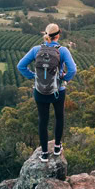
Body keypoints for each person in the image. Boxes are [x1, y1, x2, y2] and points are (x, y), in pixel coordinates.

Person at [17, 23, 76, 162]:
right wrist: (63, 79)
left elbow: (21, 66)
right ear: (58, 35)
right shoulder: (63, 50)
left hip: (39, 91)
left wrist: (34, 77)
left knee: (42, 120)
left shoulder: (36, 49)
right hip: (58, 91)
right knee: (59, 117)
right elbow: (72, 70)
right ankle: (56, 148)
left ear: (45, 34)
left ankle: (44, 153)